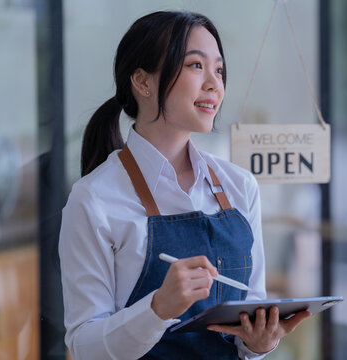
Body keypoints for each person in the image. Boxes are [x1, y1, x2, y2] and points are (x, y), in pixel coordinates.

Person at [59, 11, 310, 360]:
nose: (214, 84)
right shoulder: (94, 200)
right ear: (143, 82)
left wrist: (260, 343)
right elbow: (83, 347)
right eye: (195, 66)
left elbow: (253, 308)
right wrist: (158, 308)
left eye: (219, 70)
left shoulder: (240, 187)